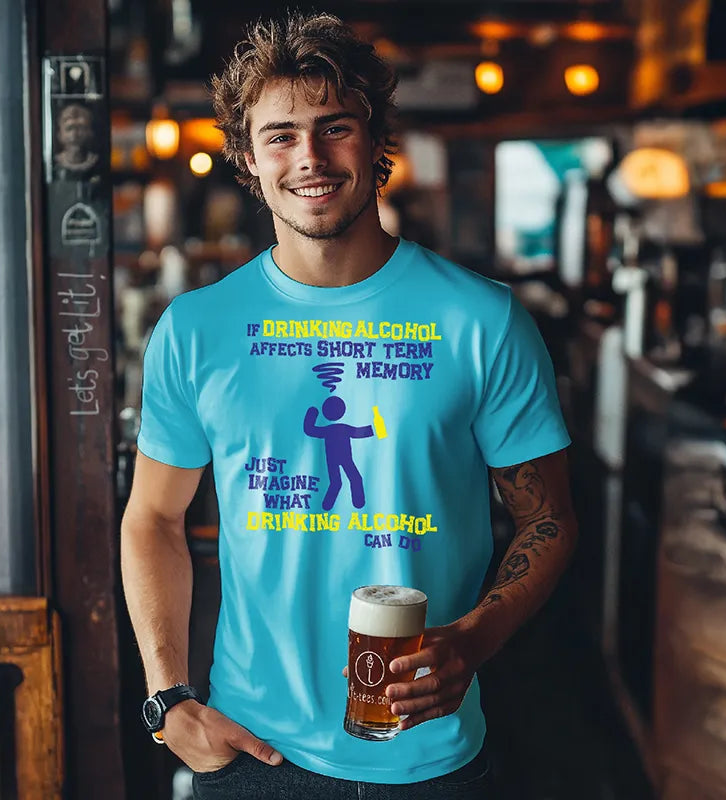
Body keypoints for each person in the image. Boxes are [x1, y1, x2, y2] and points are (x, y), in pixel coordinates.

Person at [121, 11, 578, 799]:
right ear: (249, 158)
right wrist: (168, 700)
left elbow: (550, 518)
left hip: (432, 759)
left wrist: (472, 642)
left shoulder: (481, 320)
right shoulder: (196, 331)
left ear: (374, 142)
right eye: (281, 136)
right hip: (252, 756)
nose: (310, 157)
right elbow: (153, 519)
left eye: (335, 127)